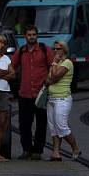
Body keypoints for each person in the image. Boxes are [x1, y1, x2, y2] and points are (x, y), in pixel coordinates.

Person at [10, 25, 54, 160]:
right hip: (25, 93)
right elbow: (12, 65)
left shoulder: (44, 49)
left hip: (41, 93)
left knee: (41, 123)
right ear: (25, 36)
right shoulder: (21, 51)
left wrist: (48, 80)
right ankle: (26, 150)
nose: (32, 37)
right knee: (24, 124)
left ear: (37, 36)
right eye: (29, 35)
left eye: (34, 34)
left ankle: (38, 152)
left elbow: (52, 66)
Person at [44, 40, 81, 161]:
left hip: (62, 99)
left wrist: (54, 63)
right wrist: (52, 77)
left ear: (64, 50)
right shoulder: (56, 64)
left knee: (62, 126)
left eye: (58, 49)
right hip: (51, 99)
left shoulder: (67, 63)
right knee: (53, 128)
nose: (55, 51)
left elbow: (53, 76)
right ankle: (56, 153)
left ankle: (75, 148)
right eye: (54, 48)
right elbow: (48, 80)